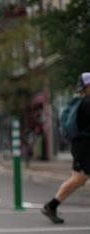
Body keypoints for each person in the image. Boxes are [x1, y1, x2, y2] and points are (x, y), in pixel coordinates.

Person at [41, 72, 90, 224]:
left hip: (80, 145)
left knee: (78, 179)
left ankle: (51, 205)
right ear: (88, 86)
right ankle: (51, 205)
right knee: (79, 179)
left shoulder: (79, 101)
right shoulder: (87, 103)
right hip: (85, 147)